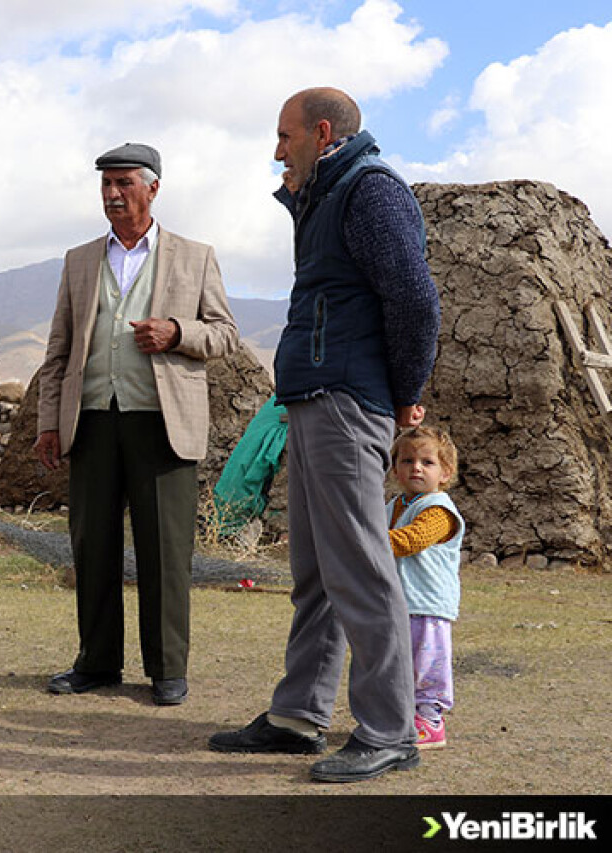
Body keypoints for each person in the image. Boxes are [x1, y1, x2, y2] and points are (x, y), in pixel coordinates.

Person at [208, 88, 442, 783]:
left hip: (348, 399)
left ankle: (389, 729)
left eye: (284, 136)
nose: (277, 150)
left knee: (360, 568)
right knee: (315, 570)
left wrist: (404, 394)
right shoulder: (326, 196)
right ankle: (298, 716)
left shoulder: (370, 191)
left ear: (319, 131)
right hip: (312, 398)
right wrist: (295, 197)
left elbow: (415, 297)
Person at [35, 143, 238, 706]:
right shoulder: (79, 260)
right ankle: (96, 663)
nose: (112, 194)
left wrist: (177, 333)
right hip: (93, 419)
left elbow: (224, 335)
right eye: (105, 185)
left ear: (153, 187)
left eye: (123, 183)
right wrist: (49, 423)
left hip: (162, 423)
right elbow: (58, 351)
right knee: (92, 546)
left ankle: (167, 667)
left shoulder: (195, 256)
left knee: (165, 551)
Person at [387, 426, 464, 751]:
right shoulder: (392, 506)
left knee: (426, 666)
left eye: (427, 462)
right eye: (407, 460)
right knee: (397, 664)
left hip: (427, 605)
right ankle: (399, 719)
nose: (415, 467)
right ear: (394, 469)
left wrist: (357, 540)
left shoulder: (438, 510)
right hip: (397, 603)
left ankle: (431, 721)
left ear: (445, 472)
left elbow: (410, 541)